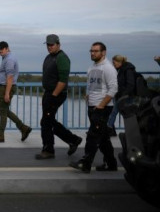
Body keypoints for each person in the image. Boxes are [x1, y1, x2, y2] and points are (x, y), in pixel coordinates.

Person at [69, 42, 119, 173]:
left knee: (92, 135)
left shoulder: (108, 68)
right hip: (93, 106)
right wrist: (88, 95)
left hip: (102, 107)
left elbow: (114, 88)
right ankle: (111, 164)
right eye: (91, 51)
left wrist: (101, 105)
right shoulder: (91, 68)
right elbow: (92, 85)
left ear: (104, 52)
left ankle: (85, 163)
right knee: (102, 139)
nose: (92, 53)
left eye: (96, 51)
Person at [36, 34, 83, 160]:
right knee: (47, 121)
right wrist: (46, 95)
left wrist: (53, 96)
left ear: (58, 44)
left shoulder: (62, 58)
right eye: (48, 45)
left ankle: (48, 150)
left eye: (52, 45)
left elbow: (62, 81)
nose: (49, 47)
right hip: (49, 93)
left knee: (46, 122)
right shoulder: (49, 57)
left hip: (56, 94)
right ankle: (73, 139)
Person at [0, 41, 32, 143]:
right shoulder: (7, 57)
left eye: (2, 49)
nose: (0, 51)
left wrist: (7, 93)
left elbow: (10, 77)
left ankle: (0, 135)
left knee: (2, 112)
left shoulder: (9, 59)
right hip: (4, 87)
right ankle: (23, 128)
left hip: (6, 87)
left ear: (7, 48)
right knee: (4, 110)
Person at [106, 55, 136, 133]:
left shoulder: (127, 70)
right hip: (120, 96)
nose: (113, 64)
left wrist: (123, 95)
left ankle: (109, 129)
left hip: (126, 97)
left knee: (125, 114)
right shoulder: (120, 70)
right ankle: (109, 129)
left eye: (114, 62)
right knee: (114, 113)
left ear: (120, 62)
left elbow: (130, 84)